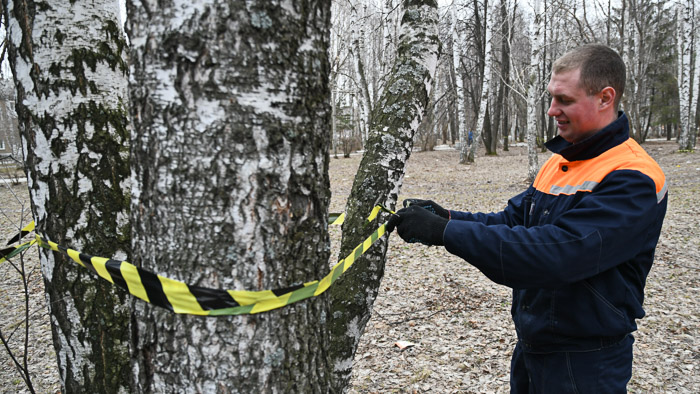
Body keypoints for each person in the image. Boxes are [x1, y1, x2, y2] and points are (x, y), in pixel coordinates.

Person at [387, 44, 667, 393]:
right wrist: (444, 217)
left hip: (586, 363)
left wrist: (447, 232)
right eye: (551, 98)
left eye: (564, 100)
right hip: (534, 348)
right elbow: (513, 222)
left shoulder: (633, 176)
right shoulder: (560, 161)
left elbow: (556, 254)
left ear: (605, 98)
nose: (552, 110)